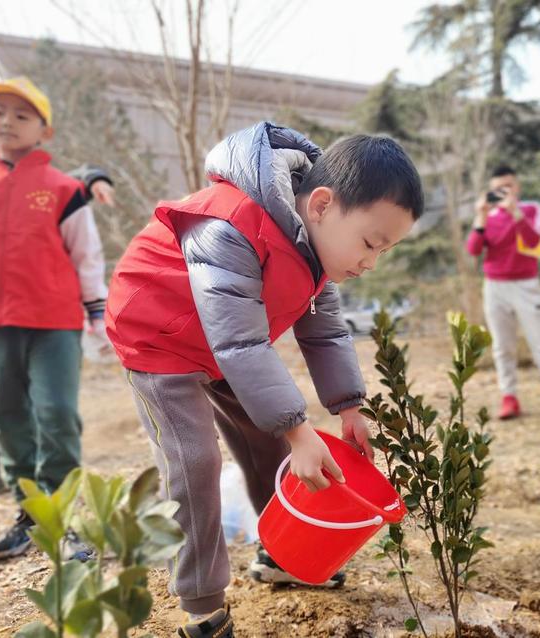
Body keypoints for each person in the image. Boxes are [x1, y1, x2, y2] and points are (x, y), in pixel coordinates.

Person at [105, 122, 424, 637]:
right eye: (369, 243)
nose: (370, 262)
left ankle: (279, 553)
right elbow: (240, 343)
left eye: (383, 252)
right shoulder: (229, 224)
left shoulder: (316, 250)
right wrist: (298, 428)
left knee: (265, 440)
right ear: (321, 205)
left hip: (221, 344)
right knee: (194, 460)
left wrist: (348, 406)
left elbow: (324, 334)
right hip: (157, 337)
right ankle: (201, 604)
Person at [0, 77, 108, 558]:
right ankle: (29, 517)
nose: (8, 122)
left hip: (53, 320)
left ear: (45, 131)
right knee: (8, 418)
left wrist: (96, 316)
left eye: (22, 115)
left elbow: (88, 257)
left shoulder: (65, 189)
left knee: (56, 413)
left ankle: (63, 519)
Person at [466, 164, 540, 421]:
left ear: (517, 187)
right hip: (495, 287)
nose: (504, 192)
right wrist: (480, 216)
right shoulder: (488, 216)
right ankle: (509, 398)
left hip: (526, 285)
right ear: (491, 190)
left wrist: (515, 213)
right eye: (498, 189)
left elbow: (533, 241)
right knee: (502, 346)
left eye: (508, 186)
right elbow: (474, 250)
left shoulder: (531, 210)